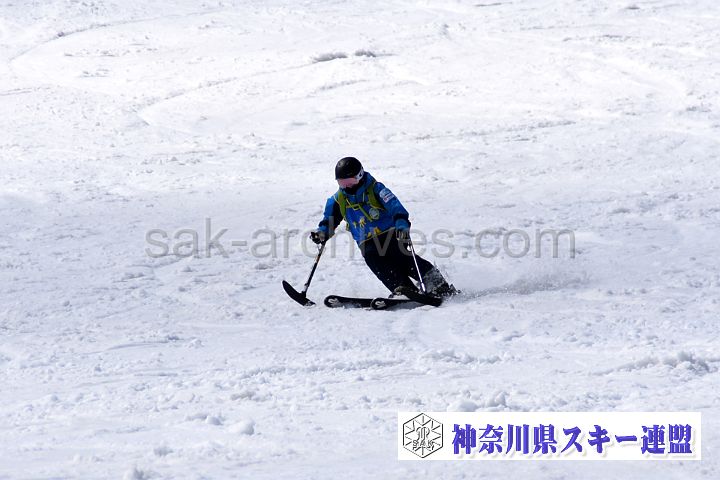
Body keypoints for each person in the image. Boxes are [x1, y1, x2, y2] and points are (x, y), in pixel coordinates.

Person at [310, 157, 456, 298]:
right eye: (342, 183)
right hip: (365, 241)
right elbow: (329, 221)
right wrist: (322, 233)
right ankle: (403, 288)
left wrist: (402, 225)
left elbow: (395, 206)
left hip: (389, 233)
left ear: (360, 176)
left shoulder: (376, 189)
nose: (347, 186)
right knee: (376, 263)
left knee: (402, 258)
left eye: (350, 181)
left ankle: (437, 284)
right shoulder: (338, 200)